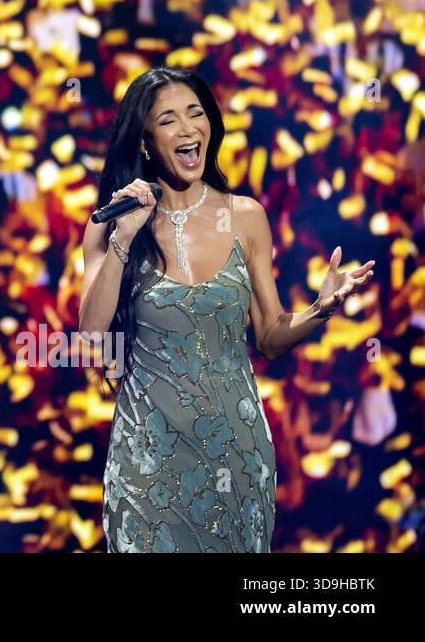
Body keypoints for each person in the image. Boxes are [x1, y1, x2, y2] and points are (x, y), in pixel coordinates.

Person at [79, 66, 374, 552]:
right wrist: (124, 240)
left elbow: (271, 336)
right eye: (169, 119)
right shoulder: (108, 226)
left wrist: (321, 310)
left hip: (236, 455)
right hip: (146, 465)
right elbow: (91, 334)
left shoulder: (245, 217)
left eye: (196, 114)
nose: (188, 128)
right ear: (147, 140)